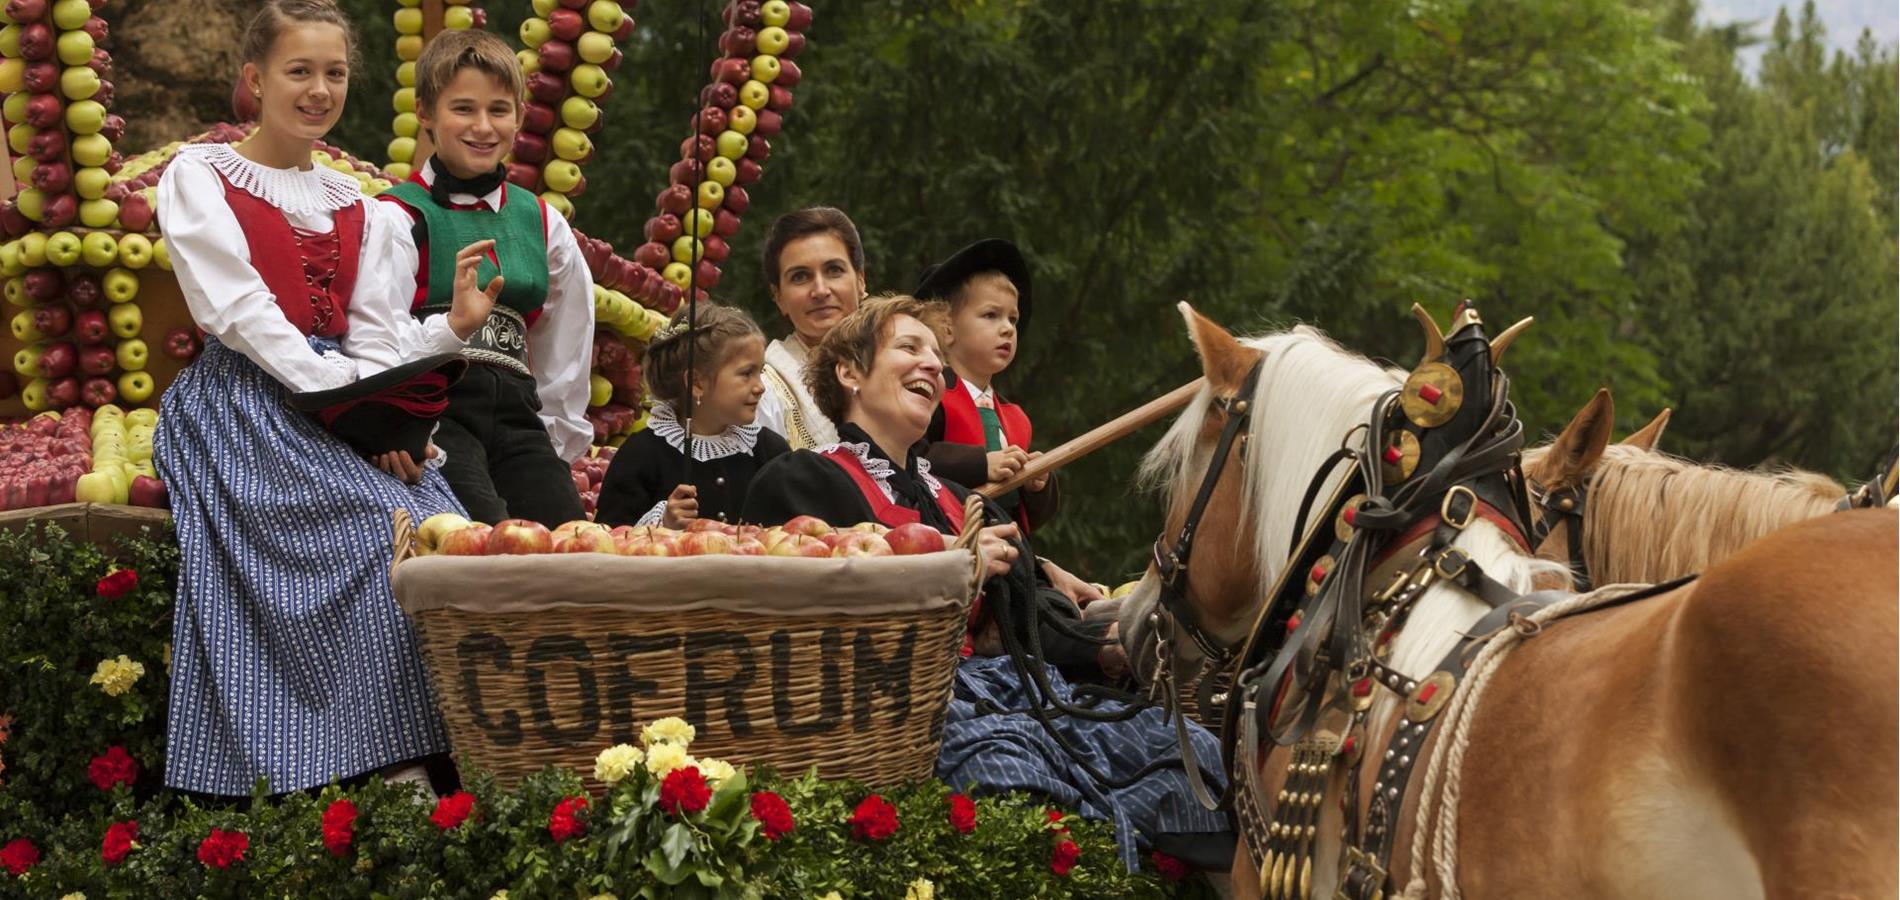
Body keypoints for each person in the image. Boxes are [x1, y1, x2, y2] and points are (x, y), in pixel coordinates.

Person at [741, 296, 1231, 870]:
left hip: (1015, 694)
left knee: (1195, 754)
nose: (933, 366)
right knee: (1010, 782)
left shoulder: (959, 500)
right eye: (908, 347)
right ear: (849, 371)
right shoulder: (800, 479)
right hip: (905, 712)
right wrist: (952, 568)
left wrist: (1108, 648)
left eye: (935, 355)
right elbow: (811, 618)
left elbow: (1031, 620)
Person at [153, 0, 499, 797]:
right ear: (255, 79)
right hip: (244, 400)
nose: (318, 90)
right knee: (365, 539)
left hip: (344, 402)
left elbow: (375, 343)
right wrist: (351, 406)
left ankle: (455, 757)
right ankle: (365, 769)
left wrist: (447, 330)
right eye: (298, 71)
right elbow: (237, 312)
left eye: (334, 73)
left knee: (447, 537)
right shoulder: (198, 176)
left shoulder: (366, 207)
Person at [379, 28, 593, 528]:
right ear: (426, 112)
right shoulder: (393, 215)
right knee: (480, 544)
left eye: (499, 110)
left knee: (567, 540)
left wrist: (554, 439)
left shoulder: (542, 220)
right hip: (435, 413)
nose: (483, 126)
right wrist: (394, 424)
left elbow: (567, 341)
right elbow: (376, 332)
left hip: (520, 417)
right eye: (463, 108)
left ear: (519, 116)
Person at [594, 303, 789, 527]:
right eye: (747, 374)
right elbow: (609, 539)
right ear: (696, 383)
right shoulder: (642, 455)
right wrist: (662, 524)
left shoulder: (769, 451)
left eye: (760, 372)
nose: (760, 387)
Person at [915, 239, 1057, 532]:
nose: (1007, 328)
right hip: (949, 548)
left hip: (1009, 553)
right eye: (991, 315)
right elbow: (910, 458)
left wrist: (1037, 484)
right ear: (947, 328)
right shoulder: (930, 394)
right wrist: (982, 465)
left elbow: (1030, 517)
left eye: (1013, 319)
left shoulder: (1016, 417)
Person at [753, 207, 867, 449]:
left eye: (834, 270)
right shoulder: (764, 390)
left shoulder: (902, 364)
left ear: (860, 281)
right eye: (800, 277)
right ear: (779, 298)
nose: (820, 291)